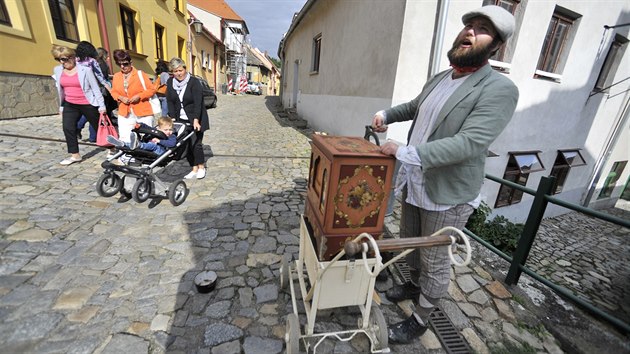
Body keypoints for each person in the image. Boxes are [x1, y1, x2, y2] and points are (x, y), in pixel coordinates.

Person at [370, 5, 519, 344]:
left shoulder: (499, 89)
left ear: (495, 46)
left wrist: (404, 152)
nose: (470, 32)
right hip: (416, 180)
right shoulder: (442, 77)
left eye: (482, 29)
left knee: (435, 260)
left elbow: (469, 143)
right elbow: (416, 106)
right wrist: (387, 114)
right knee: (411, 244)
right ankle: (411, 285)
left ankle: (420, 320)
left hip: (448, 193)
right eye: (469, 25)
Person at [51, 45, 106, 165]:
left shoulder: (85, 70)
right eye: (59, 59)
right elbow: (60, 89)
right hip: (70, 104)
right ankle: (75, 155)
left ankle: (112, 148)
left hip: (87, 103)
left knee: (100, 128)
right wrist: (61, 106)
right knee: (68, 128)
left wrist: (102, 106)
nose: (62, 62)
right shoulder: (58, 70)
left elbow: (95, 89)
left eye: (65, 59)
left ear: (73, 57)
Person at [166, 57, 209, 179]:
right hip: (180, 119)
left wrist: (196, 119)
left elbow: (198, 103)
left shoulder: (194, 82)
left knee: (196, 144)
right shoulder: (170, 83)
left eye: (180, 70)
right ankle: (194, 168)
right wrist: (173, 117)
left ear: (185, 69)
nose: (178, 73)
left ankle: (201, 166)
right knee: (186, 145)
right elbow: (170, 101)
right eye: (175, 71)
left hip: (196, 118)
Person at [109, 49, 156, 160]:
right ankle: (126, 157)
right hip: (125, 110)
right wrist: (120, 97)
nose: (122, 67)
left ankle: (144, 157)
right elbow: (113, 91)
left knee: (144, 135)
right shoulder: (116, 76)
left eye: (125, 64)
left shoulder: (140, 74)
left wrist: (139, 96)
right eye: (119, 64)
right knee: (125, 135)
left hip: (142, 110)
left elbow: (151, 89)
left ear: (131, 63)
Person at [74, 41, 111, 143]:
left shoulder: (75, 61)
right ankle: (93, 136)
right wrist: (110, 89)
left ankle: (79, 127)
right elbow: (101, 78)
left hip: (79, 91)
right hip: (93, 91)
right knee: (94, 113)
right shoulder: (92, 61)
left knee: (87, 113)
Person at [106, 116, 177, 155]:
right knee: (141, 144)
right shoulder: (156, 130)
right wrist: (140, 125)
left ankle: (138, 145)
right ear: (159, 128)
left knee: (153, 145)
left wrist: (159, 141)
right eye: (166, 130)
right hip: (149, 147)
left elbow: (172, 144)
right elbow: (148, 128)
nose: (168, 132)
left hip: (161, 150)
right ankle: (123, 144)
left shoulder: (171, 136)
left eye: (170, 129)